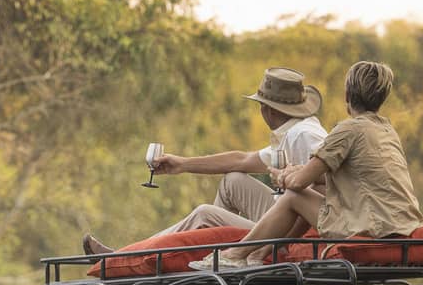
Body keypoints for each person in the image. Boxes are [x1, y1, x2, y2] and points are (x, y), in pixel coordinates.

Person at [200, 60, 423, 268]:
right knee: (299, 194)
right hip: (400, 223)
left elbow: (299, 183)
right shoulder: (386, 130)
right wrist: (299, 172)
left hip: (370, 226)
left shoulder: (348, 129)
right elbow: (346, 175)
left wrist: (283, 176)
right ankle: (259, 255)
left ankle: (234, 255)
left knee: (293, 196)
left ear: (347, 95)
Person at [83, 67, 327, 255]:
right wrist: (183, 164)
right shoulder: (292, 132)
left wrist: (287, 230)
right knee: (232, 181)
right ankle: (212, 252)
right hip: (286, 214)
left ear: (267, 109)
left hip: (294, 229)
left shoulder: (304, 135)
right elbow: (241, 160)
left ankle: (125, 256)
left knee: (203, 214)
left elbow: (329, 180)